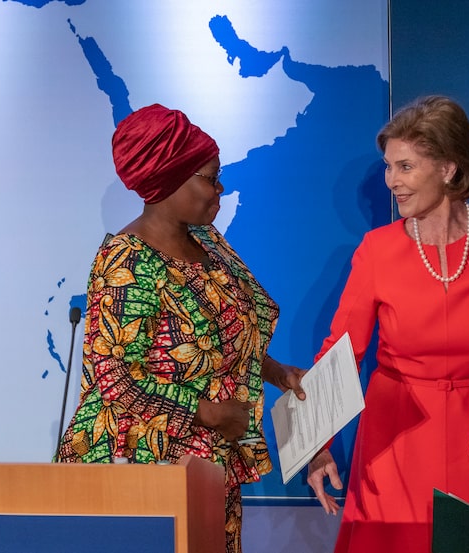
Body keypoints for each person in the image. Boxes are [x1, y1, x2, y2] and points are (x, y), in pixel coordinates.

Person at [54, 103, 306, 553]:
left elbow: (227, 332)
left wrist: (277, 372)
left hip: (208, 462)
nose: (220, 188)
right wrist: (209, 413)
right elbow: (113, 379)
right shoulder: (125, 262)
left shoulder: (207, 240)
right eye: (209, 177)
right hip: (142, 467)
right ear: (168, 180)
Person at [305, 95, 469, 553]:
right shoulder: (377, 251)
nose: (392, 181)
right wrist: (317, 445)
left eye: (405, 167)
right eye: (389, 167)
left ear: (448, 169)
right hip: (395, 441)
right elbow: (340, 351)